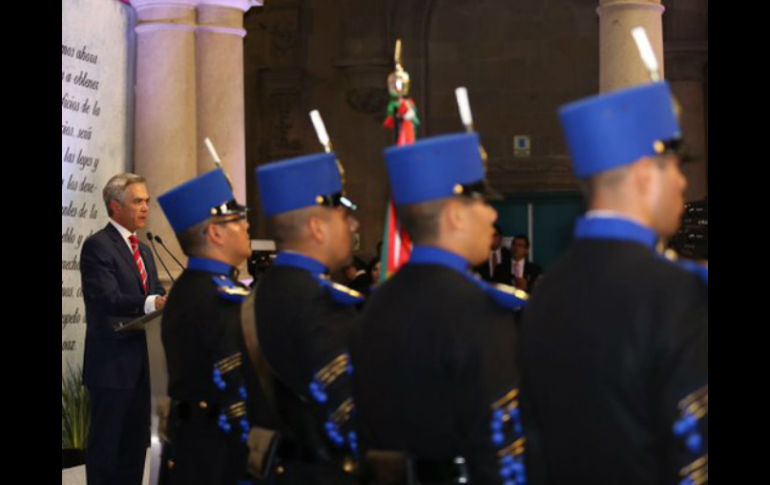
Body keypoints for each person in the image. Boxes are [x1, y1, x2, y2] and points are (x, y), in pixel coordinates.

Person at [520, 81, 708, 485]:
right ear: (643, 175)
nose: (682, 183)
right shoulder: (678, 293)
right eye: (675, 166)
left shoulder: (547, 291)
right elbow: (693, 454)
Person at [352, 132, 529, 484]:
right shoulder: (479, 310)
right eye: (482, 202)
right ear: (455, 216)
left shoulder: (377, 302)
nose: (493, 214)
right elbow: (503, 448)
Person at [253, 151, 363, 484]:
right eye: (344, 215)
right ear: (317, 227)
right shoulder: (319, 302)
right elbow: (350, 414)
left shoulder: (267, 288)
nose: (354, 224)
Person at [156, 169, 269, 484]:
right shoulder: (218, 298)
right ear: (215, 234)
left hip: (192, 451)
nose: (246, 225)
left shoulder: (190, 287)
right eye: (236, 220)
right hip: (219, 458)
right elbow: (240, 394)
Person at [80, 173, 167, 485]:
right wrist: (152, 303)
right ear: (115, 206)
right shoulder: (97, 247)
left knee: (133, 450)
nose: (145, 207)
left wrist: (165, 302)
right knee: (106, 450)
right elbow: (106, 298)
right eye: (138, 201)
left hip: (143, 368)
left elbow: (154, 291)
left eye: (147, 201)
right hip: (112, 369)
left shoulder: (144, 250)